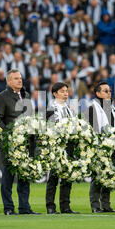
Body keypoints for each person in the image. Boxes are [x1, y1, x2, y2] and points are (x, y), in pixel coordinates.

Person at [0, 69, 40, 215]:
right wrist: (8, 133)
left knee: (25, 175)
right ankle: (8, 207)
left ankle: (24, 207)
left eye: (20, 78)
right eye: (16, 78)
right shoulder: (1, 97)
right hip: (10, 143)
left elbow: (31, 117)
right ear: (8, 81)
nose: (20, 80)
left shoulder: (25, 95)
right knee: (8, 176)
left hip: (26, 142)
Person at [45, 82, 79, 214]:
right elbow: (52, 126)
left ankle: (65, 206)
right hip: (56, 145)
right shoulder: (50, 108)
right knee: (53, 177)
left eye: (66, 91)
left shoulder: (69, 108)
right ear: (55, 94)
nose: (66, 94)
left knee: (67, 176)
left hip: (69, 145)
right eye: (62, 91)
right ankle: (50, 206)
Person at [87, 81, 115, 213]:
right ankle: (95, 206)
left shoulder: (112, 107)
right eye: (106, 91)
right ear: (97, 93)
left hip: (112, 146)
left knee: (109, 175)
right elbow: (92, 130)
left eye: (110, 90)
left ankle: (106, 205)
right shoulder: (92, 108)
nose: (109, 93)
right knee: (97, 177)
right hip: (99, 146)